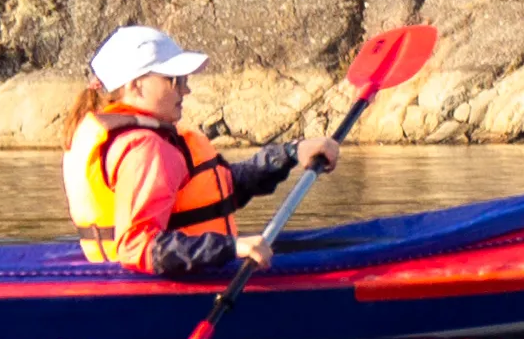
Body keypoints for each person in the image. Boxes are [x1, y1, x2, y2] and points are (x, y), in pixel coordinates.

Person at [62, 25, 335, 280]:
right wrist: (229, 248)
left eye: (185, 80)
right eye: (174, 80)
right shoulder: (145, 148)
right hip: (148, 286)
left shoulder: (147, 139)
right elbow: (136, 246)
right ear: (135, 85)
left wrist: (288, 153)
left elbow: (222, 189)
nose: (186, 89)